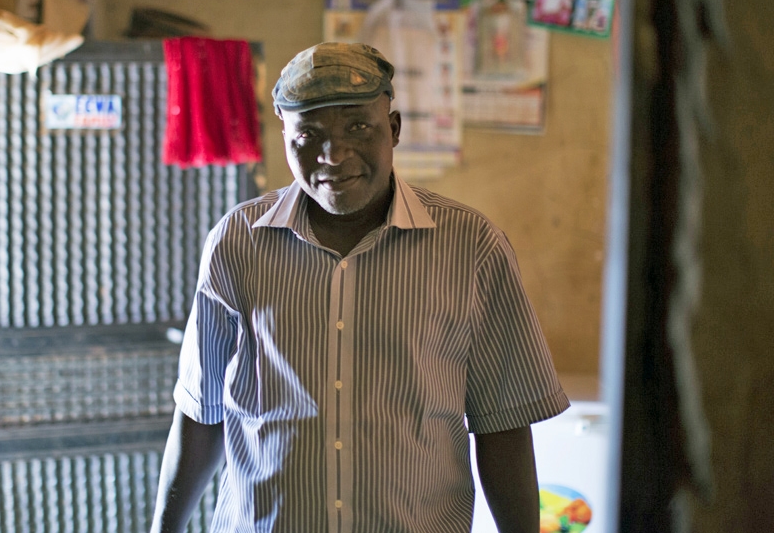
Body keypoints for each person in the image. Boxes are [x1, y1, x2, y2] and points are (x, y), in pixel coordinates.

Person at [150, 42, 569, 533]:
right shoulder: (237, 242)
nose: (333, 155)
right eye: (308, 134)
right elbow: (202, 412)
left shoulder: (472, 247)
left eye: (358, 127)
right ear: (284, 136)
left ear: (392, 129)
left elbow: (503, 425)